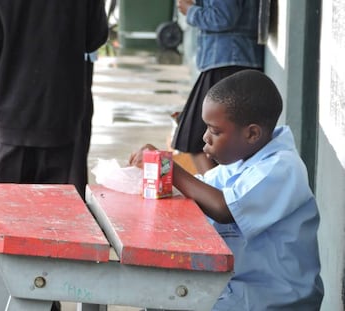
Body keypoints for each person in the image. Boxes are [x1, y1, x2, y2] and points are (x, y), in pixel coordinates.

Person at [130, 70, 324, 310]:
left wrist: (169, 167)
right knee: (156, 294)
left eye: (215, 131)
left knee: (162, 298)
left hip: (275, 298)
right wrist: (153, 178)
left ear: (252, 133)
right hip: (239, 288)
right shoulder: (240, 163)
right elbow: (199, 191)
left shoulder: (283, 168)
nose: (205, 138)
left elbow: (223, 208)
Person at [0, 0, 108, 200]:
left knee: (12, 213)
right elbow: (94, 38)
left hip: (13, 115)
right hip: (61, 113)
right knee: (56, 215)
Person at [171, 0, 264, 174]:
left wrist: (190, 11)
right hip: (234, 59)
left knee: (193, 138)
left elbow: (223, 18)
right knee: (216, 141)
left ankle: (215, 196)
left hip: (226, 60)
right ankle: (218, 194)